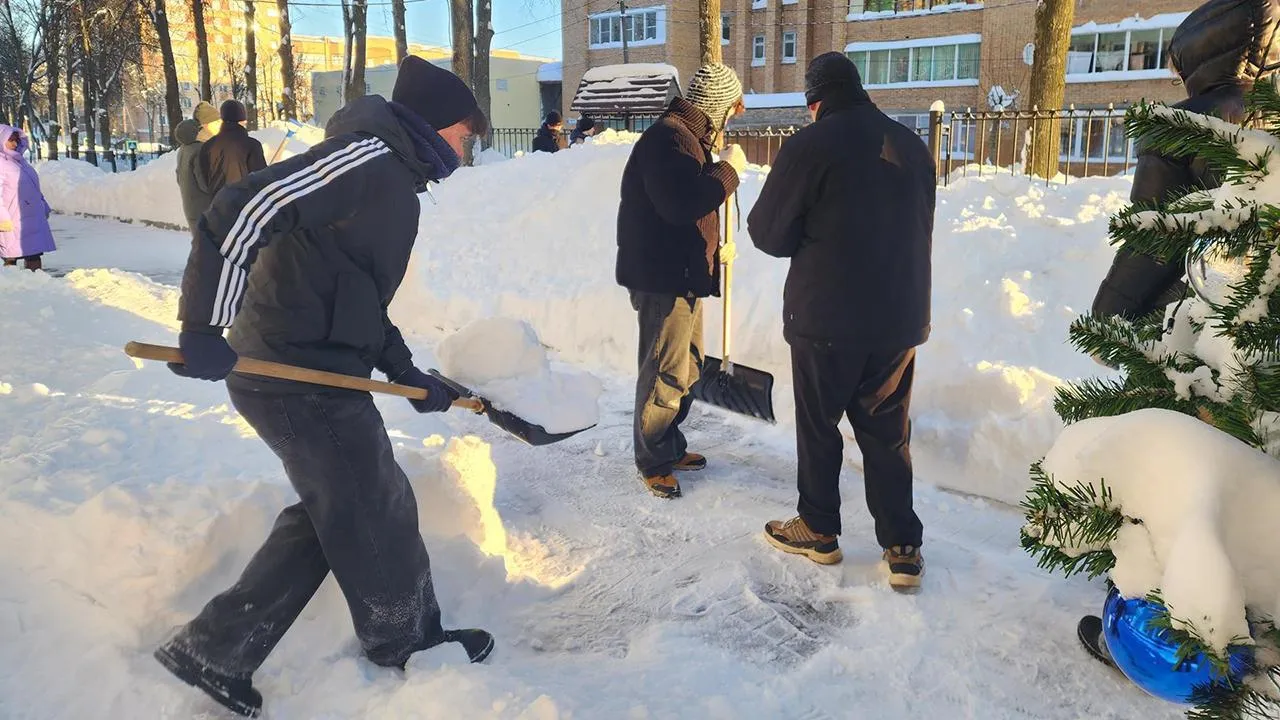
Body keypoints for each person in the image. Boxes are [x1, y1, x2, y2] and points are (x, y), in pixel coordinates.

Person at [152, 56, 494, 718]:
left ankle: (217, 646)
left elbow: (358, 293)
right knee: (374, 502)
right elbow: (243, 204)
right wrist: (202, 323)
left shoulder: (392, 175)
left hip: (322, 364)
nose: (469, 147)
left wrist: (406, 372)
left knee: (343, 505)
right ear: (439, 126)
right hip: (289, 370)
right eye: (466, 134)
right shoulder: (365, 159)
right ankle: (408, 642)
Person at [1078, 0, 1280, 667]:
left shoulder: (1186, 127)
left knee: (1167, 477)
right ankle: (1254, 630)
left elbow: (1151, 241)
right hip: (1265, 343)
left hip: (1190, 336)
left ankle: (1147, 633)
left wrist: (1110, 321)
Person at [747, 52, 933, 593]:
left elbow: (768, 233)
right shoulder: (912, 144)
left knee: (819, 426)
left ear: (815, 101)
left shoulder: (811, 145)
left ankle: (819, 529)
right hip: (898, 318)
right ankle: (903, 548)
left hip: (825, 317)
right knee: (888, 432)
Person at [615, 63, 747, 499]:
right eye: (733, 105)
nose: (738, 112)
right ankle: (652, 458)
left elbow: (688, 205)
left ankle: (668, 445)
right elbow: (680, 203)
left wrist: (715, 250)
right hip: (662, 279)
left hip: (684, 276)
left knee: (687, 367)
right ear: (715, 105)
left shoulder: (687, 140)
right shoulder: (670, 139)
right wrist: (726, 174)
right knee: (663, 371)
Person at [0, 126, 54, 271]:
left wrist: (43, 205)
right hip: (11, 218)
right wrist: (2, 219)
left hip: (30, 216)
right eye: (10, 141)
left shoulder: (20, 161)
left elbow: (32, 186)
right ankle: (13, 287)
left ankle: (37, 285)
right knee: (11, 255)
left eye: (16, 140)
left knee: (34, 254)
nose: (15, 144)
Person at [199, 99, 267, 197]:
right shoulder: (251, 145)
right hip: (244, 204)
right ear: (242, 120)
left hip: (217, 205)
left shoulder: (207, 146)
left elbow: (205, 180)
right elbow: (260, 179)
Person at [173, 118, 213, 233]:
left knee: (199, 243)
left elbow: (179, 178)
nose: (204, 131)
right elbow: (205, 183)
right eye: (200, 130)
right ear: (194, 134)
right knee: (208, 245)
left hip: (190, 206)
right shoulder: (199, 150)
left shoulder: (182, 150)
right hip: (204, 208)